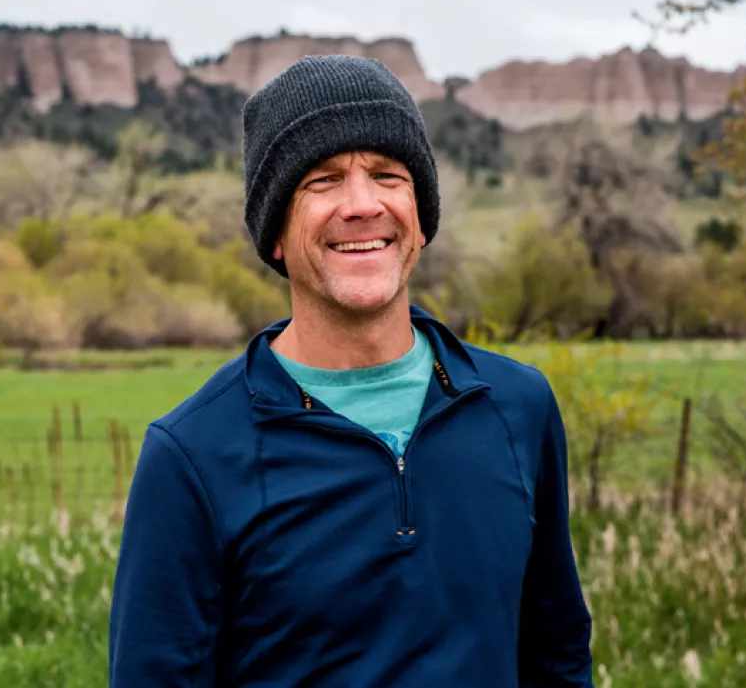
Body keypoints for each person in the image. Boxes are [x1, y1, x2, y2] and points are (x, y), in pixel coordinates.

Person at [108, 54, 594, 687]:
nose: (362, 205)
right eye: (324, 180)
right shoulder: (193, 454)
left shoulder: (516, 406)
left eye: (388, 175)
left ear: (421, 215)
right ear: (275, 232)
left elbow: (557, 654)